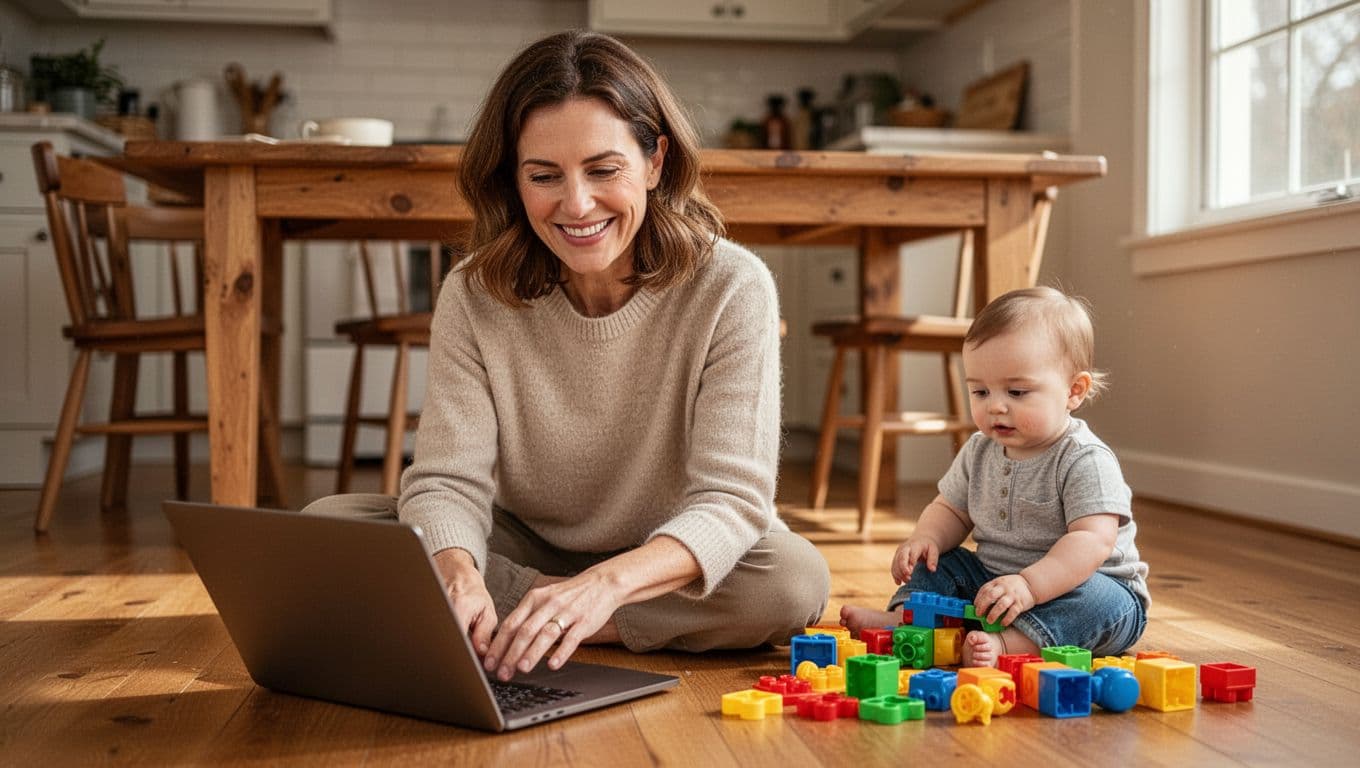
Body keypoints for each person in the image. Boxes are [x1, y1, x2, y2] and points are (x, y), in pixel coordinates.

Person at [302, 30, 829, 682]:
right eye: (544, 176)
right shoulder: (472, 295)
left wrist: (604, 588)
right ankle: (543, 611)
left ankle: (541, 617)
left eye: (604, 170)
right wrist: (459, 572)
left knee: (792, 579)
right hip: (525, 540)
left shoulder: (731, 286)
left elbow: (733, 504)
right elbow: (446, 482)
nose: (576, 205)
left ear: (655, 162)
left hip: (662, 560)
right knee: (331, 525)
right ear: (512, 181)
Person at [840, 287, 1149, 666]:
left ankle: (1014, 643)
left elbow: (1091, 541)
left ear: (1074, 391)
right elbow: (951, 509)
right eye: (980, 391)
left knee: (1102, 599)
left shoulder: (1085, 459)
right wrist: (926, 537)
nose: (996, 406)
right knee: (944, 561)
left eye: (1017, 391)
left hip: (1075, 586)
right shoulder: (979, 449)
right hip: (994, 582)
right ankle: (906, 621)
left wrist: (1030, 586)